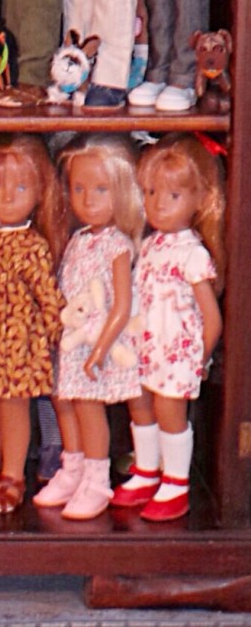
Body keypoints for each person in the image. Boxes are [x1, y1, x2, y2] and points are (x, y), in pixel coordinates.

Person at [112, 133, 224, 521]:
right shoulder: (150, 245)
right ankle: (147, 470)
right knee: (139, 403)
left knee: (170, 411)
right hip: (145, 345)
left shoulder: (193, 253)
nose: (158, 204)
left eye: (173, 196)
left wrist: (200, 359)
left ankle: (176, 482)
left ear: (201, 199)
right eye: (151, 192)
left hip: (177, 352)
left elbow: (212, 318)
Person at [34, 134, 144, 519]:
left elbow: (122, 304)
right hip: (72, 338)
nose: (88, 199)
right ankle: (73, 466)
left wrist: (100, 349)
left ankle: (97, 479)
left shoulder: (117, 245)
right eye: (79, 189)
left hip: (99, 340)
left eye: (101, 189)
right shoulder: (78, 240)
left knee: (88, 406)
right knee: (63, 400)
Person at [0, 134, 66, 514]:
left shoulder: (33, 245)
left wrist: (56, 337)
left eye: (20, 188)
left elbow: (47, 295)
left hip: (19, 343)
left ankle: (12, 475)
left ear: (39, 193)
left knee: (13, 407)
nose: (7, 197)